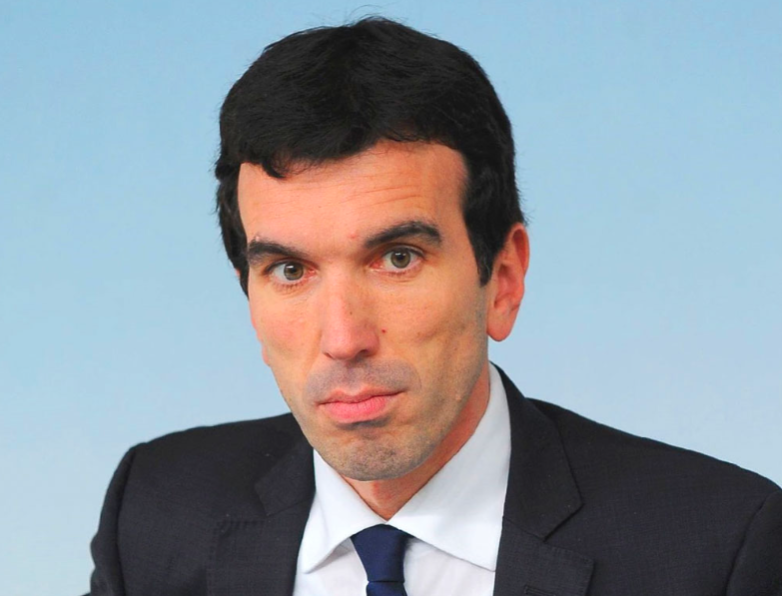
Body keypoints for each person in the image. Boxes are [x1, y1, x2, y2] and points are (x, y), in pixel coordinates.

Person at [87, 17, 782, 596]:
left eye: (397, 259)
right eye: (290, 270)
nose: (344, 338)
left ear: (502, 279)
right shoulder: (153, 514)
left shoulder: (718, 550)